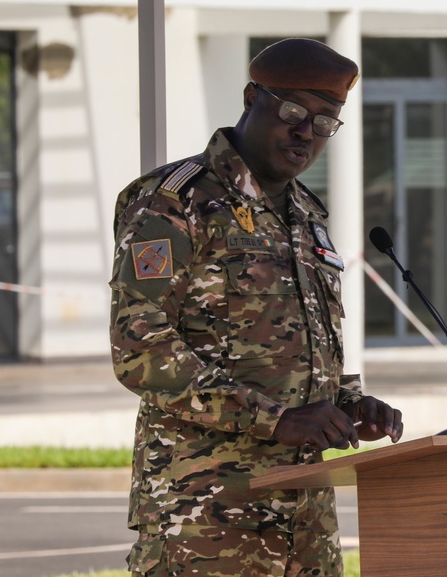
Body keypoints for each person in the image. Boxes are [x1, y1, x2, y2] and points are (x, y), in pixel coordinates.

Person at [109, 38, 403, 577]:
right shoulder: (174, 201)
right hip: (205, 512)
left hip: (304, 514)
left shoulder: (307, 214)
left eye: (323, 122)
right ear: (251, 97)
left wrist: (348, 403)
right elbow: (141, 352)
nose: (303, 132)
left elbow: (293, 348)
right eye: (293, 111)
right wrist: (278, 420)